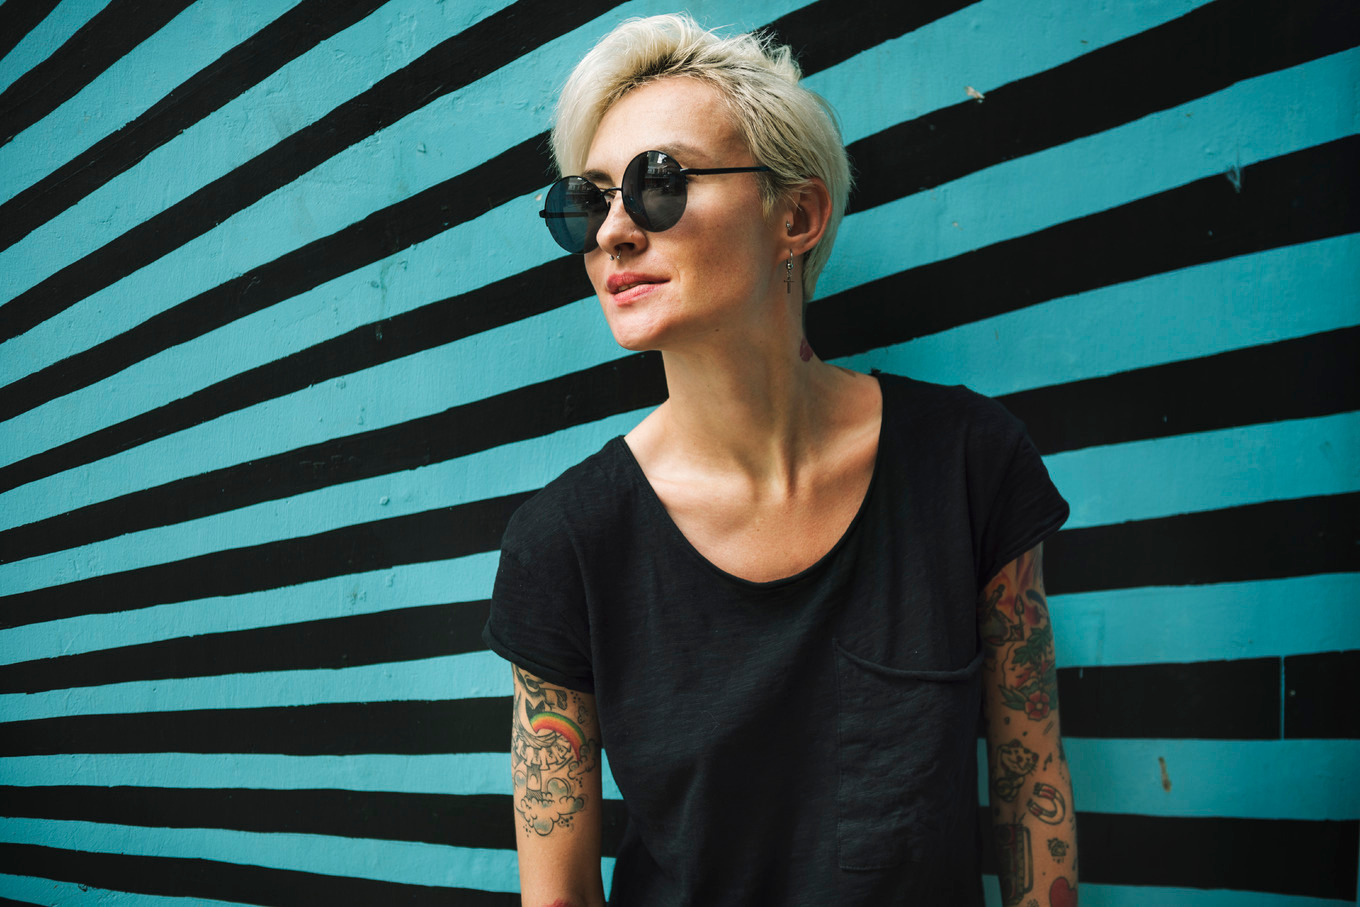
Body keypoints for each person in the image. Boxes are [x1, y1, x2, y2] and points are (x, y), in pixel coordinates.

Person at [482, 13, 1078, 906]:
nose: (613, 232)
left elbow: (1033, 789)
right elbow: (558, 893)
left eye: (658, 182)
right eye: (590, 200)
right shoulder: (564, 544)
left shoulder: (967, 466)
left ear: (795, 215)